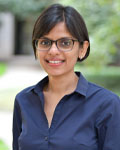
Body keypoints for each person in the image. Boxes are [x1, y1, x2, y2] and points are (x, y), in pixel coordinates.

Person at [12, 3, 120, 150]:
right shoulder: (23, 100)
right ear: (36, 48)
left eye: (65, 43)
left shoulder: (107, 105)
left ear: (83, 49)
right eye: (45, 42)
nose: (53, 50)